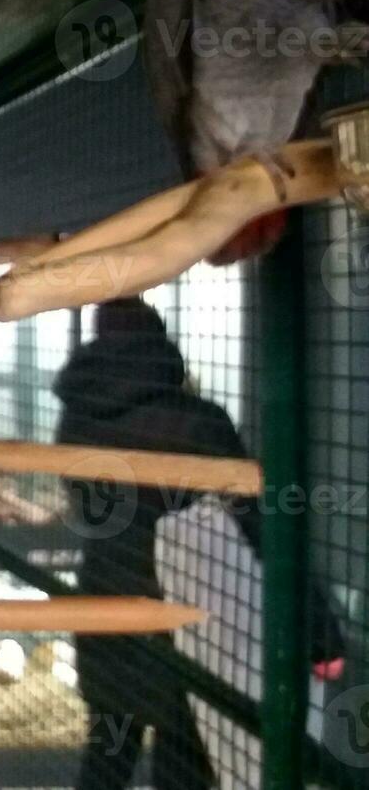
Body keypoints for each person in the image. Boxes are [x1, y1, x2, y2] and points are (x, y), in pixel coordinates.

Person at [54, 297, 344, 790]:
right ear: (161, 344)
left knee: (107, 754)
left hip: (106, 605)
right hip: (191, 612)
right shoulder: (198, 422)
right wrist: (319, 631)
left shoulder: (78, 422)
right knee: (187, 759)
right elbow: (261, 527)